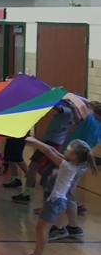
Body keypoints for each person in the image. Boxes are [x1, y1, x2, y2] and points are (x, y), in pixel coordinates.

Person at [17, 137, 97, 255]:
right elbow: (52, 150)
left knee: (42, 230)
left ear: (74, 155)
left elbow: (48, 151)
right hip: (56, 201)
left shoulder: (68, 166)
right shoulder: (70, 163)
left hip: (55, 201)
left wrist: (34, 141)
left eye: (68, 149)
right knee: (39, 229)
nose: (65, 150)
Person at [46, 98, 101, 240]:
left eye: (89, 111)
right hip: (75, 163)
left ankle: (60, 227)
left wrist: (69, 94)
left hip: (73, 164)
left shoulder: (92, 123)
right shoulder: (93, 125)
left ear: (94, 115)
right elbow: (83, 111)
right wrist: (74, 105)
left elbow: (83, 105)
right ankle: (73, 227)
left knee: (62, 195)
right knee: (68, 194)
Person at [13, 95, 78, 204]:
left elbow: (55, 106)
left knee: (33, 166)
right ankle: (56, 186)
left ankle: (27, 193)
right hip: (53, 142)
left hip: (52, 143)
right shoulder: (71, 113)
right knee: (41, 170)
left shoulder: (67, 111)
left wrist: (48, 94)